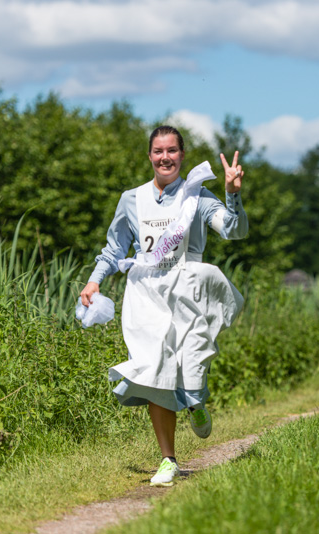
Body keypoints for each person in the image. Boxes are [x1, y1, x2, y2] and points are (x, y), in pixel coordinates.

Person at [79, 125, 248, 487]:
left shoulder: (197, 196)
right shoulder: (131, 199)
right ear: (150, 156)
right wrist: (95, 280)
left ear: (182, 155)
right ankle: (168, 459)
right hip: (146, 294)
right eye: (158, 151)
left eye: (172, 150)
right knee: (156, 371)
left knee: (191, 367)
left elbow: (234, 230)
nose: (165, 157)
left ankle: (195, 401)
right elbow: (114, 249)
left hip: (189, 291)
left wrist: (232, 193)